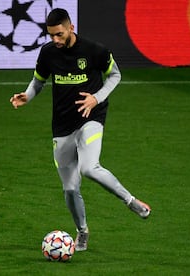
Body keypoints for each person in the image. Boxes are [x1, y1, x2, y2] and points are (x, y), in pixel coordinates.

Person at [10, 8, 151, 252]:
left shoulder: (94, 50)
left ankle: (131, 202)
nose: (55, 40)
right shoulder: (48, 53)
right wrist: (28, 95)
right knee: (70, 188)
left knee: (89, 167)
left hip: (91, 118)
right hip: (62, 125)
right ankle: (82, 232)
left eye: (59, 34)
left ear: (71, 28)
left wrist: (97, 98)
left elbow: (115, 75)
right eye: (51, 35)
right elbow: (38, 81)